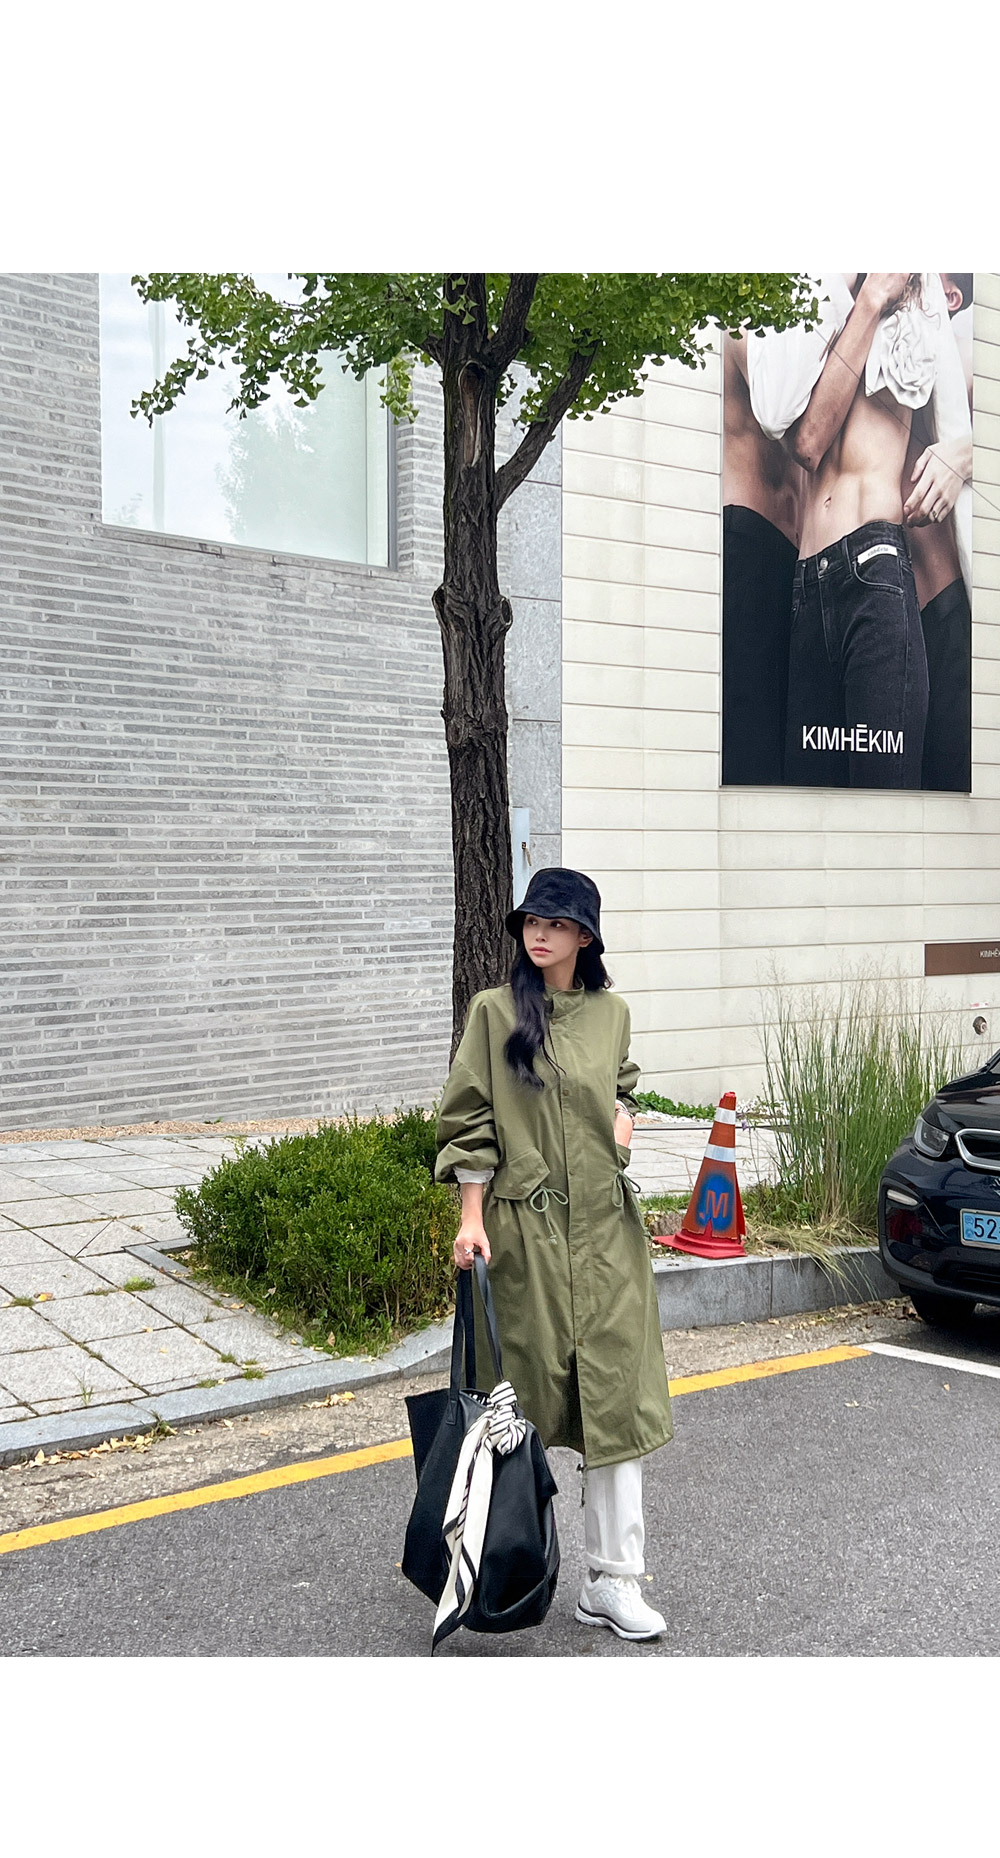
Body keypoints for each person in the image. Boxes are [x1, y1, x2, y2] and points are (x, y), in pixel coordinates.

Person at [435, 866, 673, 1643]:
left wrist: (621, 1127)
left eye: (556, 924)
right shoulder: (494, 1011)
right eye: (532, 922)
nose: (539, 934)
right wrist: (472, 1219)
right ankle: (488, 1571)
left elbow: (622, 1087)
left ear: (585, 938)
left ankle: (613, 1582)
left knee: (618, 1408)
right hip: (525, 1241)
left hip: (607, 1240)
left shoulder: (612, 1015)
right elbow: (469, 1121)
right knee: (513, 1411)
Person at [747, 273, 971, 790]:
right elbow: (805, 440)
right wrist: (869, 296)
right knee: (808, 809)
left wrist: (964, 456)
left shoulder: (928, 320)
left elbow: (972, 419)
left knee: (885, 797)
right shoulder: (828, 299)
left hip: (875, 569)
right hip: (807, 583)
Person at [721, 333, 805, 783]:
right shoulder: (741, 317)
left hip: (795, 555)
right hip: (749, 535)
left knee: (785, 744)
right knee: (750, 735)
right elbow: (777, 409)